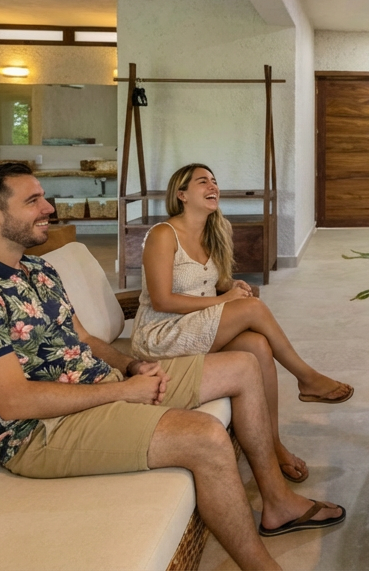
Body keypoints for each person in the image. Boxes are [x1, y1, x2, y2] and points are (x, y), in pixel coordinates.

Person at [0, 163, 344, 571]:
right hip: (41, 433)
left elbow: (84, 340)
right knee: (206, 437)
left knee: (245, 365)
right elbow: (14, 402)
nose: (49, 208)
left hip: (100, 385)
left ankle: (278, 503)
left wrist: (130, 366)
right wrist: (121, 392)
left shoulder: (36, 269)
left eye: (43, 197)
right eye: (33, 201)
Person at [134, 163, 353, 484]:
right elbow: (162, 300)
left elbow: (210, 282)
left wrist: (231, 285)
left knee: (258, 345)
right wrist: (226, 301)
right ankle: (307, 379)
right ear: (181, 195)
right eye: (202, 182)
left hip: (195, 326)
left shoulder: (213, 232)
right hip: (160, 334)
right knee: (251, 310)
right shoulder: (163, 235)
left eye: (215, 181)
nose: (213, 186)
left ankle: (274, 443)